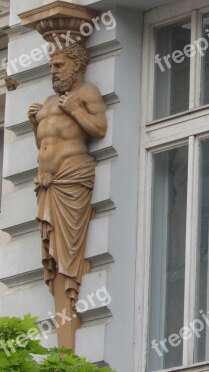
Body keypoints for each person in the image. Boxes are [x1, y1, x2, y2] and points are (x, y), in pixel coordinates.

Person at [28, 43, 107, 349]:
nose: (53, 71)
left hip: (71, 179)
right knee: (52, 256)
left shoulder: (87, 94)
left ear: (77, 65)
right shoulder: (48, 101)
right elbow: (47, 141)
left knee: (66, 258)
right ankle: (63, 334)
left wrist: (75, 110)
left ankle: (68, 338)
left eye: (59, 65)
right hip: (47, 184)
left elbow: (99, 128)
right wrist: (36, 123)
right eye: (51, 66)